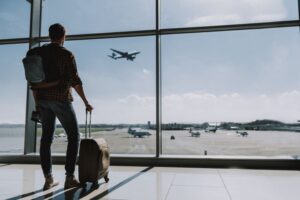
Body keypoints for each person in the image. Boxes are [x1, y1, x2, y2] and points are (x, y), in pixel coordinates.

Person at [27, 23, 93, 190]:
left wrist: (37, 104)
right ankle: (69, 177)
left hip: (42, 100)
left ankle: (48, 179)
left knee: (46, 139)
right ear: (64, 36)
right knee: (74, 136)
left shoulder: (36, 52)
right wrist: (86, 102)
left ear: (50, 36)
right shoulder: (66, 54)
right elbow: (75, 81)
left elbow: (33, 83)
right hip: (61, 99)